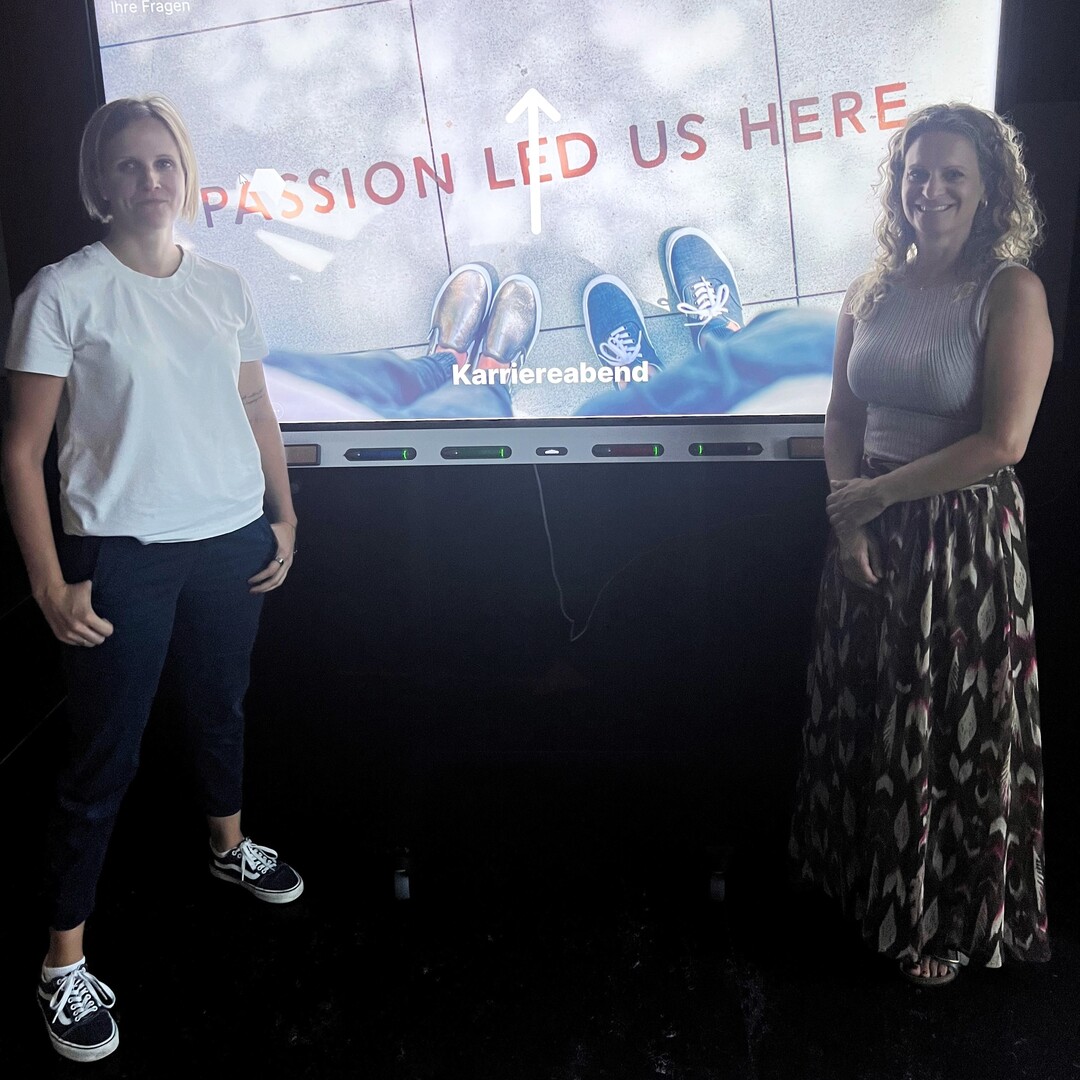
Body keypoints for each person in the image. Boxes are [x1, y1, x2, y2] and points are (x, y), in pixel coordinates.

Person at [2, 94, 303, 1062]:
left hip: (229, 540)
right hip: (120, 557)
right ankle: (62, 962)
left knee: (221, 709)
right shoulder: (63, 292)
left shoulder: (224, 284)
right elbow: (21, 452)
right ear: (100, 181)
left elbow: (255, 405)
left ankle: (228, 848)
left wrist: (284, 513)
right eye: (128, 165)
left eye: (163, 162)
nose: (149, 180)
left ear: (186, 172)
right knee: (104, 759)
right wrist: (49, 586)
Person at [788, 103, 1053, 985]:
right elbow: (842, 415)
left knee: (946, 733)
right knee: (869, 715)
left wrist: (873, 498)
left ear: (988, 190)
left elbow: (1003, 441)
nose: (929, 190)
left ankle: (940, 921)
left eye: (951, 175)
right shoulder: (871, 288)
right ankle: (868, 890)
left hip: (959, 539)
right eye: (915, 173)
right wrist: (851, 514)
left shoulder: (1009, 291)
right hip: (868, 522)